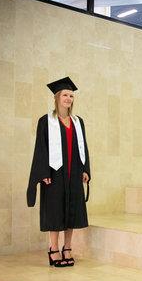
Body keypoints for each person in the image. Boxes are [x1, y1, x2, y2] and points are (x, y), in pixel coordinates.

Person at [27, 77, 91, 267]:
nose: (68, 98)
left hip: (74, 172)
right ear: (57, 97)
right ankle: (54, 248)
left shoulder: (78, 122)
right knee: (55, 211)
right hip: (54, 173)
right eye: (65, 95)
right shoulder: (46, 121)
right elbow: (41, 148)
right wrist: (43, 171)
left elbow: (84, 147)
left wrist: (86, 169)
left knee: (71, 209)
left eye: (71, 95)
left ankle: (68, 248)